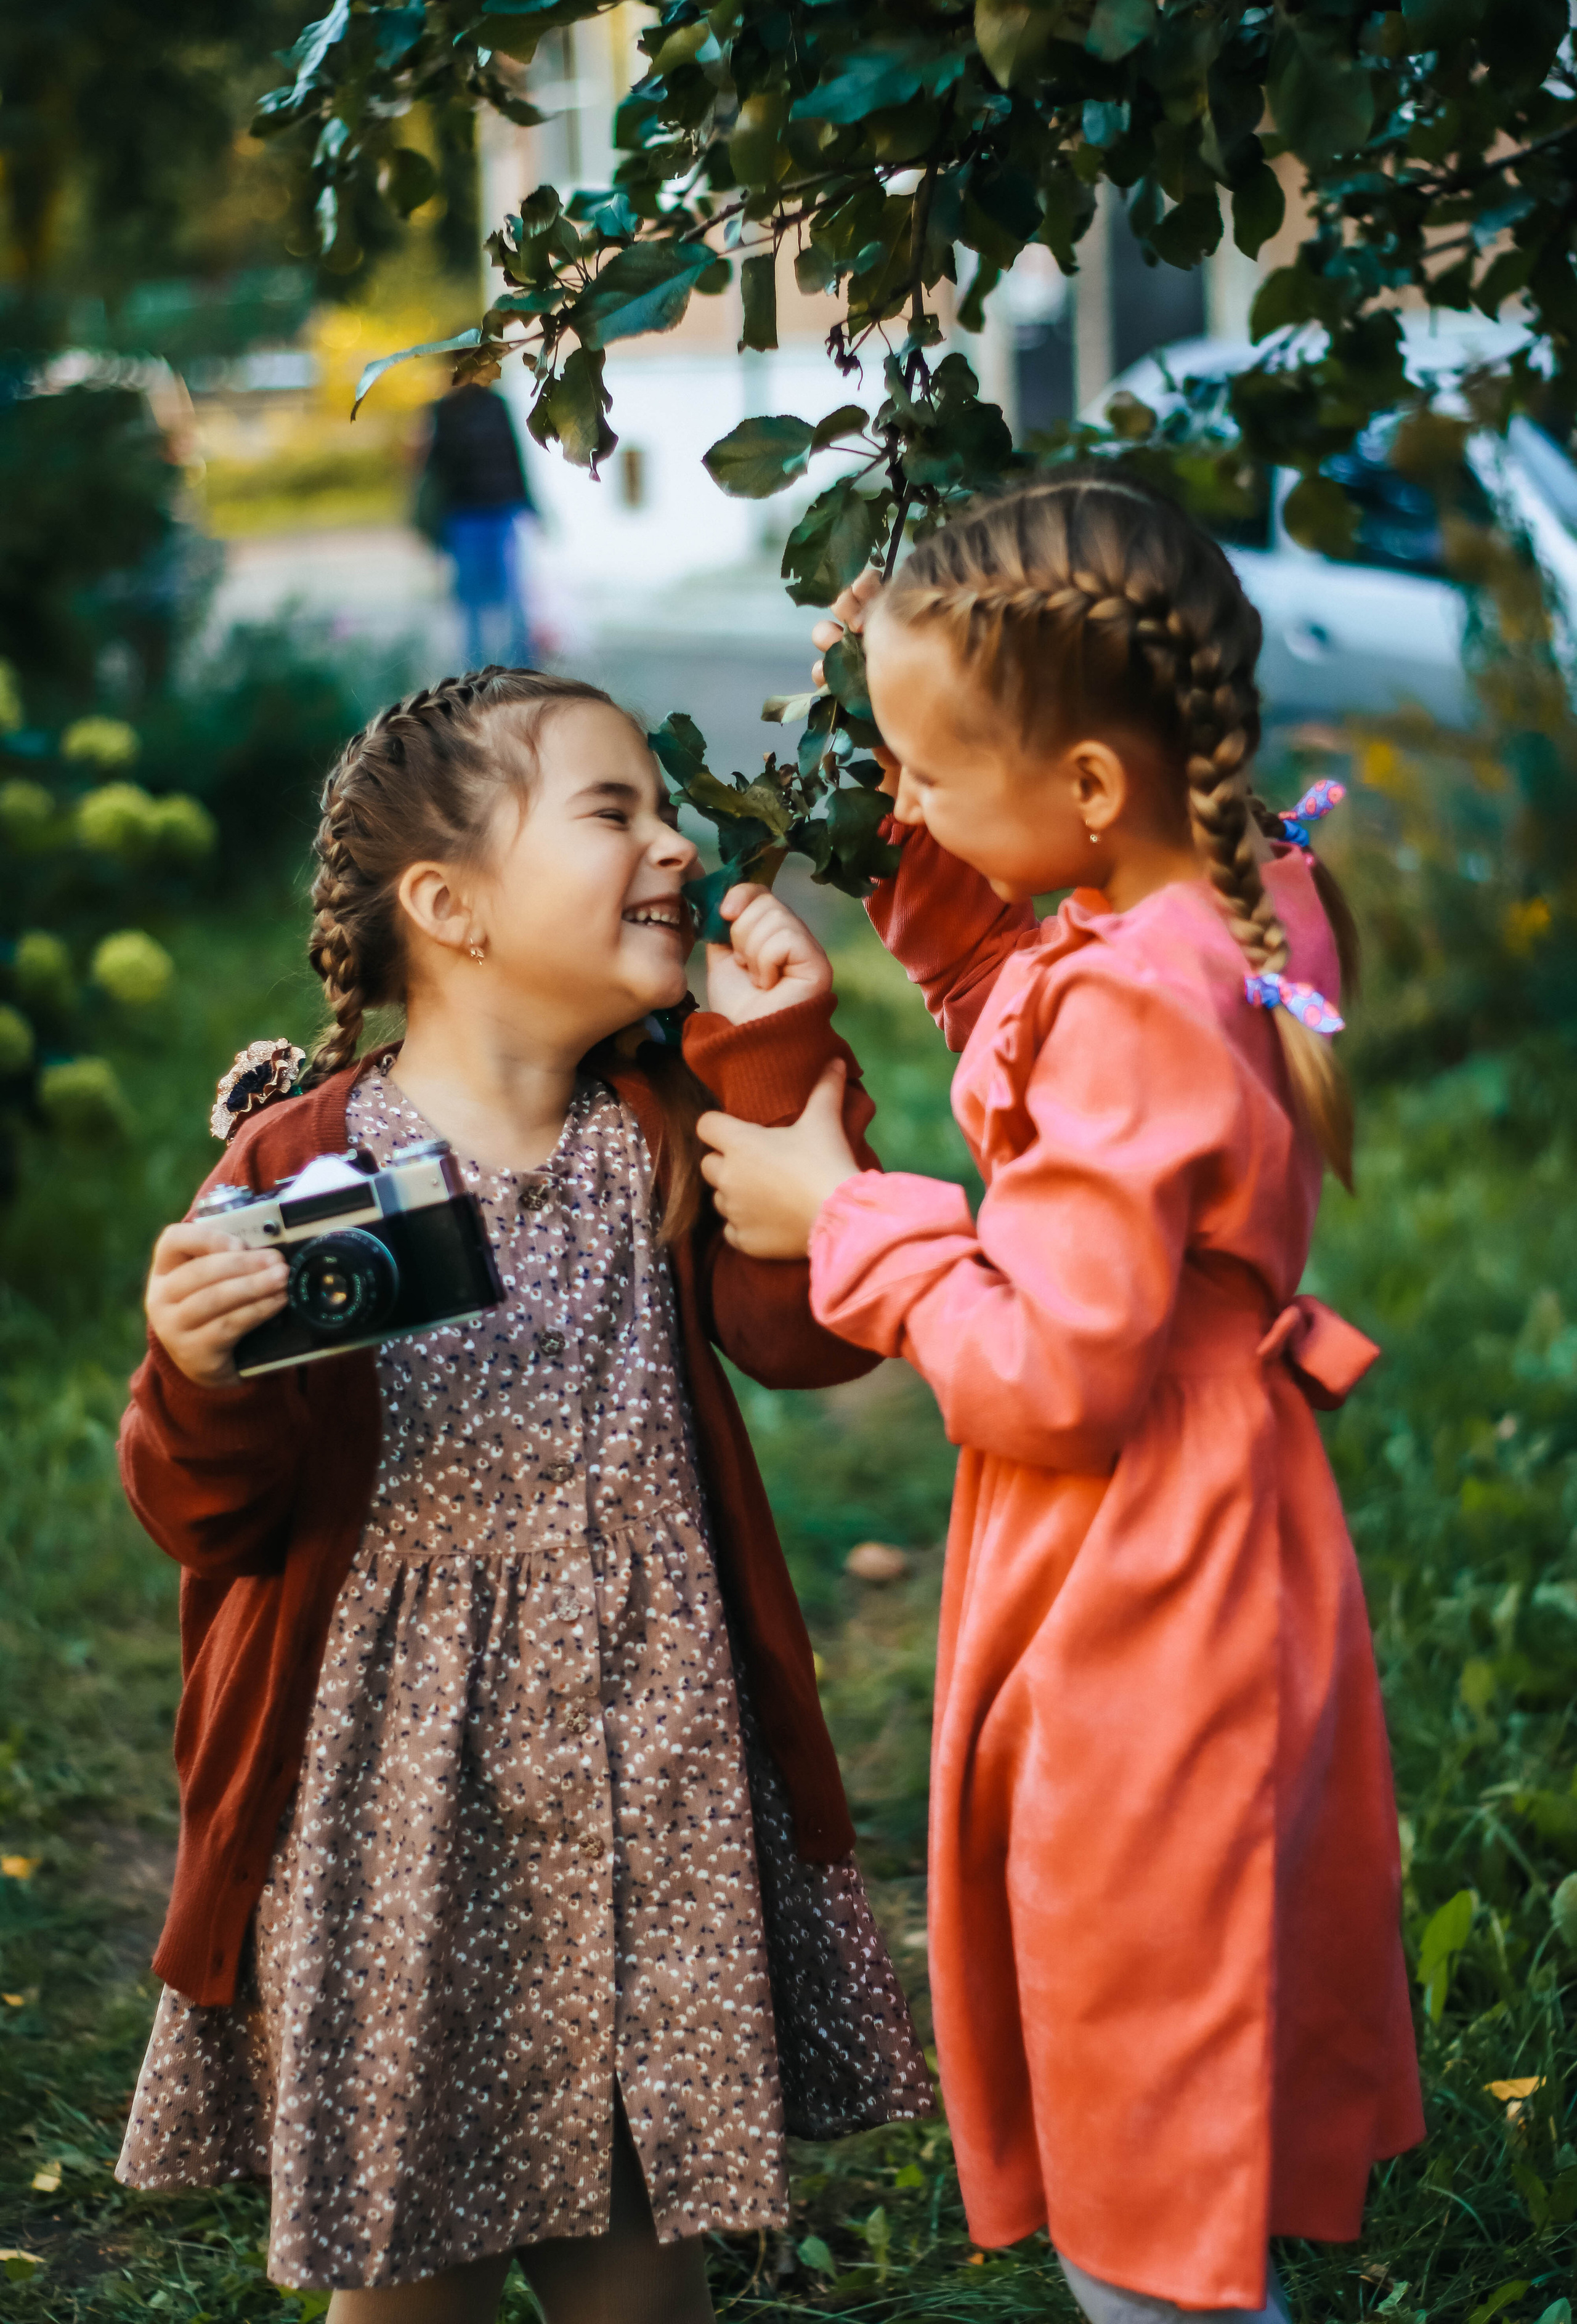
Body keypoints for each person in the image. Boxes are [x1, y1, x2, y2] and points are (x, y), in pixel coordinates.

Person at [114, 666, 932, 2324]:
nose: (677, 845)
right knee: (412, 2264)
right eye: (614, 810)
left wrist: (773, 1045)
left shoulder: (663, 1124)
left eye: (669, 810)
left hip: (651, 1778)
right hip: (401, 1802)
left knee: (638, 2253)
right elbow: (209, 1512)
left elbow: (809, 1329)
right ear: (450, 906)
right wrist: (199, 1374)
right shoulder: (304, 1168)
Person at [694, 476, 1424, 2324]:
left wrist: (840, 1214)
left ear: (1088, 785)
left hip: (1141, 1574)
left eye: (930, 771)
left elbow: (1046, 1368)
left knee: (1135, 2093)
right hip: (1230, 1524)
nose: (906, 792)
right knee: (1186, 2011)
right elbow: (1043, 1033)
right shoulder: (1234, 894)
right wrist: (920, 823)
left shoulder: (1133, 995)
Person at [419, 381, 537, 667]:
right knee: (475, 601)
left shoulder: (493, 405)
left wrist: (530, 504)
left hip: (494, 513)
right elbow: (437, 468)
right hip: (467, 516)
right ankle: (476, 672)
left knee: (510, 596)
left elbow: (515, 456)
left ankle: (521, 669)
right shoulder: (447, 410)